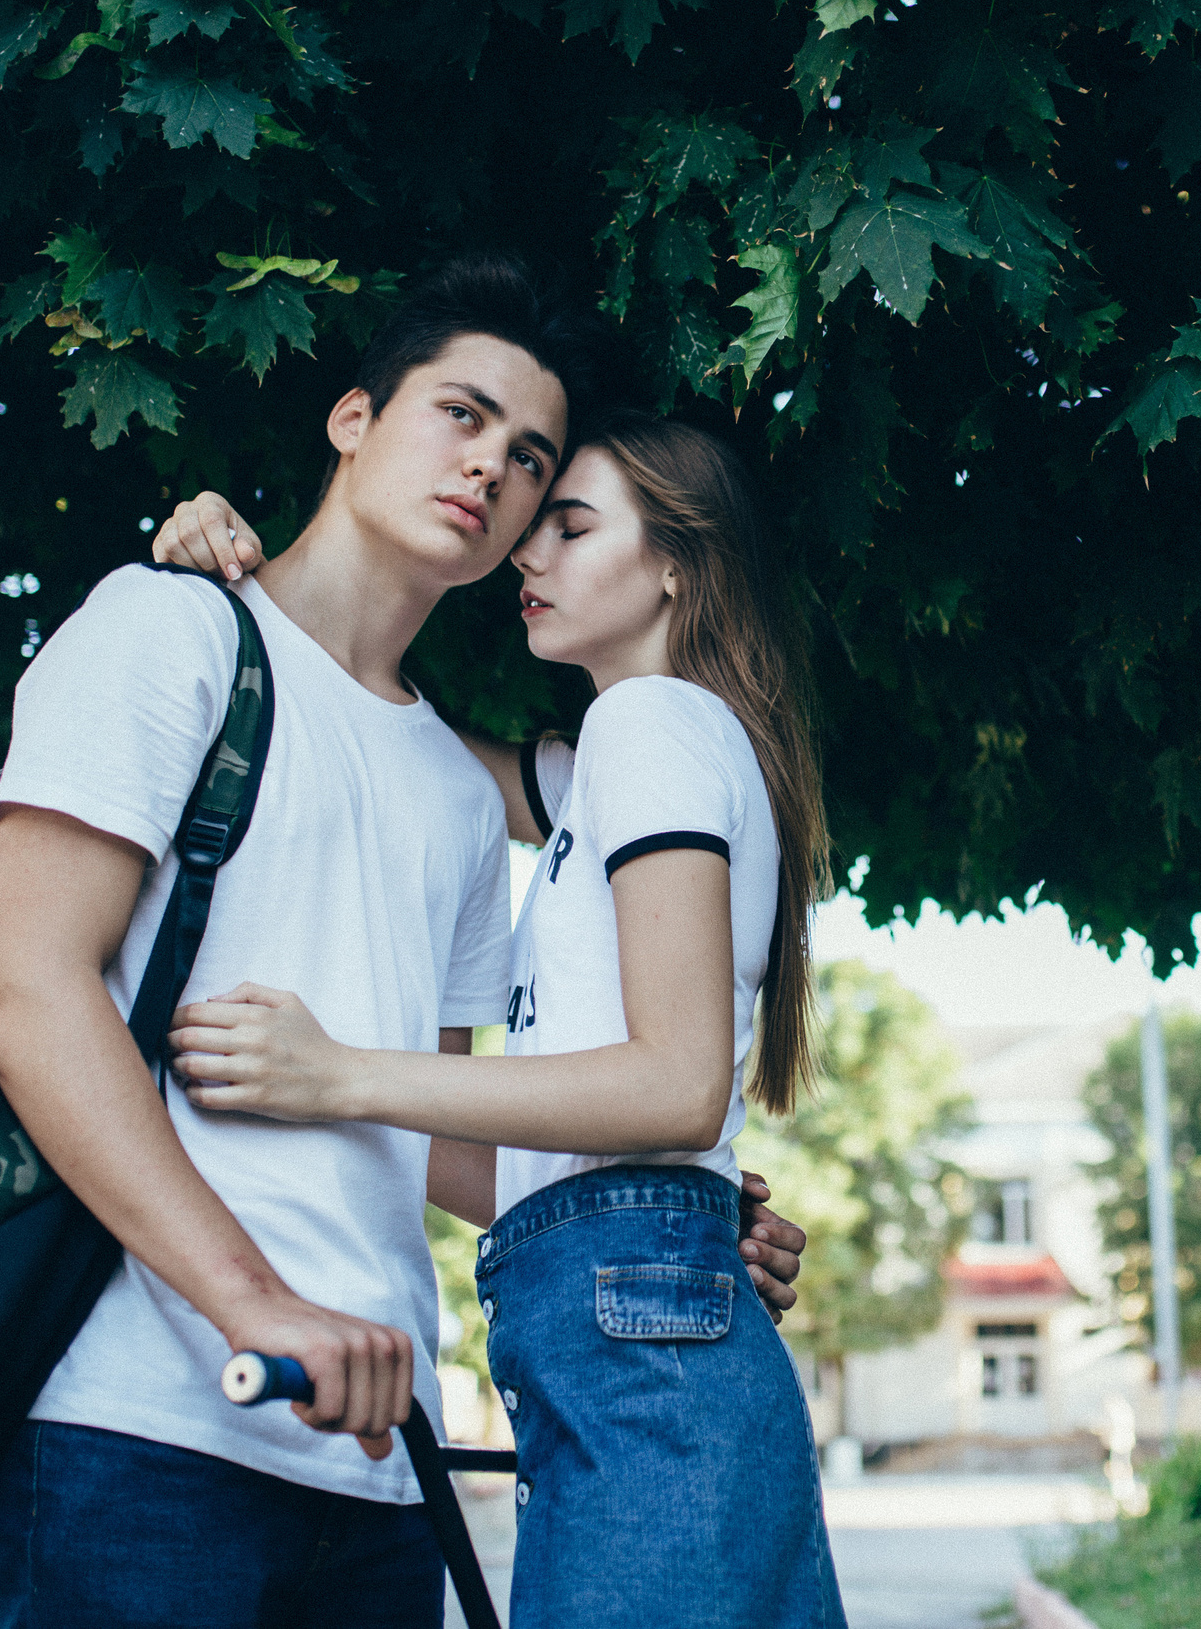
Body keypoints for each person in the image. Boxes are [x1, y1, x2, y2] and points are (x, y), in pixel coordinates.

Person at [0, 258, 807, 1628]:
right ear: (354, 417)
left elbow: (431, 1132)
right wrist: (258, 1304)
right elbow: (23, 993)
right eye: (460, 415)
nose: (492, 469)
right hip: (145, 1418)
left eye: (531, 457)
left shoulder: (458, 792)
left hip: (375, 1464)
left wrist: (686, 1202)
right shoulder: (171, 630)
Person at [150, 412, 846, 1626]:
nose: (528, 554)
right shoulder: (618, 763)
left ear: (679, 564)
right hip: (631, 1320)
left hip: (638, 1345)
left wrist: (338, 1075)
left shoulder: (654, 723)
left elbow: (674, 1086)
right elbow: (384, 744)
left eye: (572, 528)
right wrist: (237, 591)